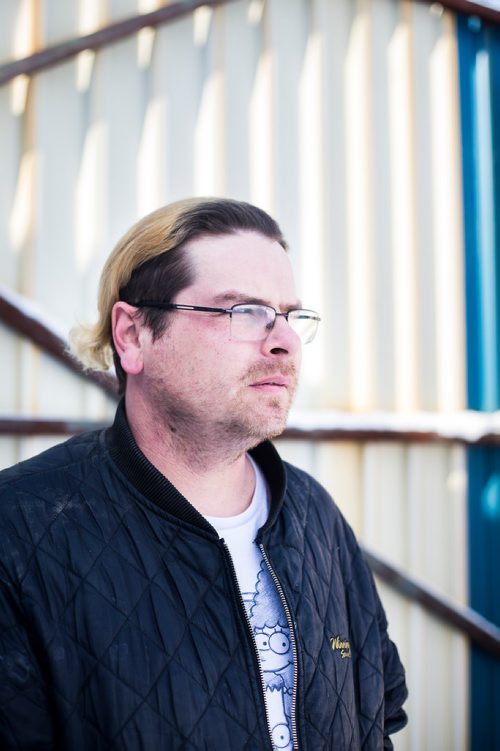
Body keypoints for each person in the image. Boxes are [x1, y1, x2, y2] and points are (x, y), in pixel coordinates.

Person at [0, 198, 408, 750]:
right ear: (134, 335)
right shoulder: (21, 532)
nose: (283, 339)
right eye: (243, 311)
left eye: (290, 315)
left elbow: (375, 716)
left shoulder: (314, 517)